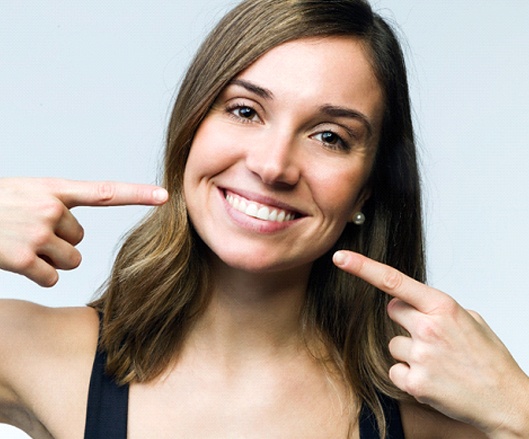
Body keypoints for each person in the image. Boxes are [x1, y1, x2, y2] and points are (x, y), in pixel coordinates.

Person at [1, 0, 528, 438]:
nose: (273, 166)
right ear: (191, 127)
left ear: (366, 188)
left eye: (329, 137)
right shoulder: (33, 351)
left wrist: (518, 408)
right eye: (245, 110)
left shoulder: (425, 409)